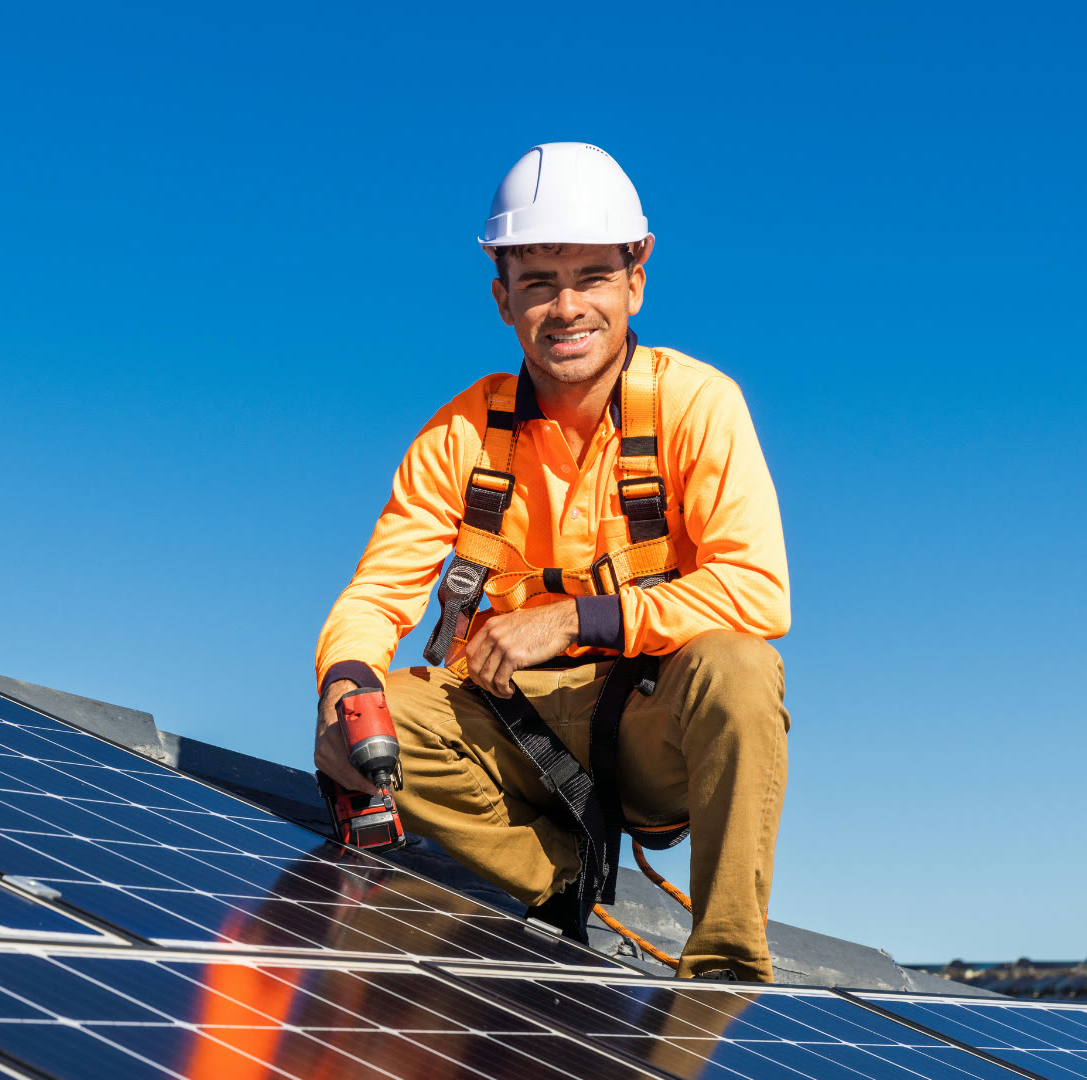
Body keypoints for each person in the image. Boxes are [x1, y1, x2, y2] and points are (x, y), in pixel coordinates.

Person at [312, 143, 791, 982]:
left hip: (649, 727)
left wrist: (574, 619)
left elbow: (756, 589)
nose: (566, 306)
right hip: (508, 735)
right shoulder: (460, 434)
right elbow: (377, 593)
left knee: (742, 669)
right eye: (538, 282)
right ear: (503, 299)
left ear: (636, 278)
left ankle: (724, 966)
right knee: (365, 719)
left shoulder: (697, 405)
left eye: (591, 277)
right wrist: (344, 682)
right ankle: (559, 875)